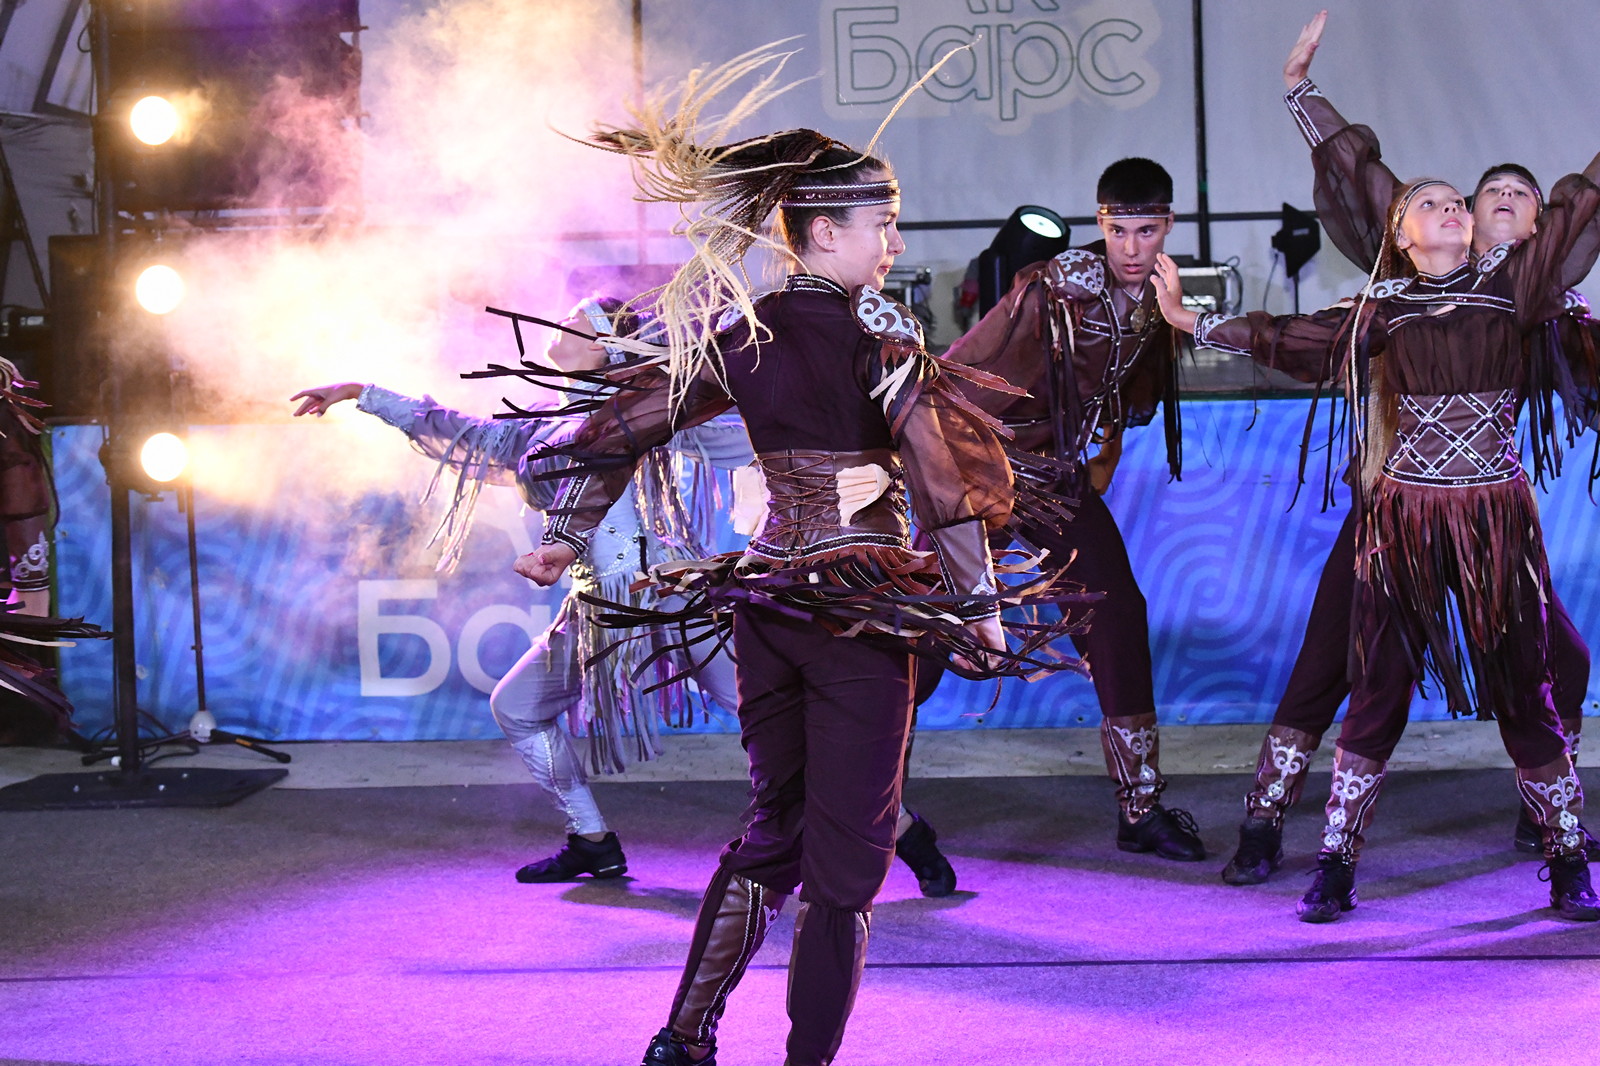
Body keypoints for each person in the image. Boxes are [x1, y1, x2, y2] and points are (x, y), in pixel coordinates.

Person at [513, 55, 1087, 1065]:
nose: (895, 243)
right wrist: (979, 603)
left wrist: (565, 531)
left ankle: (683, 1038)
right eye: (883, 224)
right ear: (824, 232)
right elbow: (940, 479)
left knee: (772, 827)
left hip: (770, 603)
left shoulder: (739, 335)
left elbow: (621, 425)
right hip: (857, 611)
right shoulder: (879, 338)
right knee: (846, 866)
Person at [1154, 154, 1600, 922]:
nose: (1455, 207)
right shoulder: (1382, 306)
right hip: (1397, 520)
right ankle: (1318, 853)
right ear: (1401, 235)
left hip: (1493, 523)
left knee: (1533, 683)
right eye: (1434, 202)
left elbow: (1578, 210)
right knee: (1365, 682)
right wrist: (1191, 320)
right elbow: (1292, 338)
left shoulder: (1524, 293)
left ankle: (1563, 854)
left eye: (1461, 200)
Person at [1222, 11, 1600, 886]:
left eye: (1519, 197)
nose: (1495, 202)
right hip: (1391, 513)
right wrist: (1303, 94)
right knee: (1339, 667)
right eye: (1483, 192)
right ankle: (1269, 822)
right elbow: (1364, 190)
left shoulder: (1539, 298)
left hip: (1491, 517)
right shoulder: (1396, 286)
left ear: (1538, 227)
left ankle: (1554, 830)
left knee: (1554, 665)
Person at [290, 296, 750, 883]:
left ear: (605, 345)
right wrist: (362, 392)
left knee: (761, 712)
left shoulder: (644, 409)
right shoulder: (542, 422)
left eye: (576, 319)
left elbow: (738, 433)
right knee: (517, 707)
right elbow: (461, 431)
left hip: (660, 595)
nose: (561, 322)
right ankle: (592, 840)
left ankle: (854, 824)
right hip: (595, 604)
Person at [934, 157, 1206, 862]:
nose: (1131, 248)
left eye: (1147, 231)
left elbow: (1124, 398)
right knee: (928, 621)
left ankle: (1140, 808)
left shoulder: (1160, 295)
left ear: (1168, 226)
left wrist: (1094, 454)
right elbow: (967, 368)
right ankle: (867, 802)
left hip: (1054, 483)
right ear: (1101, 223)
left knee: (1116, 612)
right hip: (979, 473)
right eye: (1119, 231)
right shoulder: (1059, 285)